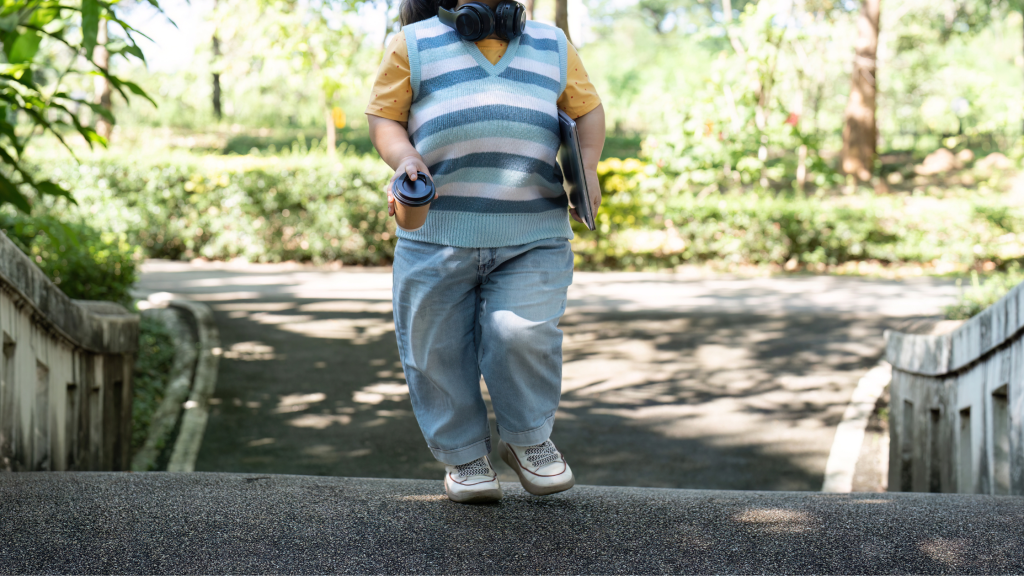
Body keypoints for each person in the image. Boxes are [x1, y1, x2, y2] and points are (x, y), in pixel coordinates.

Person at [365, 0, 605, 504]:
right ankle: (465, 456)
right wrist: (406, 155)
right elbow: (385, 118)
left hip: (533, 231)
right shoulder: (413, 44)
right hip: (436, 234)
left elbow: (587, 112)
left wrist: (588, 164)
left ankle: (528, 440)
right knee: (435, 350)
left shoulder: (552, 46)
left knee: (523, 333)